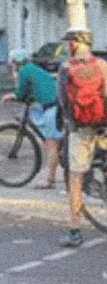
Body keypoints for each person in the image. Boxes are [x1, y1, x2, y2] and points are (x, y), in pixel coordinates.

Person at [56, 27, 107, 248]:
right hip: (106, 127)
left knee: (75, 176)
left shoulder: (65, 68)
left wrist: (67, 122)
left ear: (74, 44)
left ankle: (75, 230)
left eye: (67, 42)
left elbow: (62, 101)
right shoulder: (102, 65)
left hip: (80, 130)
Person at [2, 48, 63, 189]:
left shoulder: (24, 71)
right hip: (54, 105)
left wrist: (12, 96)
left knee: (52, 144)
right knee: (53, 142)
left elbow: (21, 93)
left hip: (52, 108)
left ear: (16, 62)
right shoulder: (32, 68)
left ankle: (50, 181)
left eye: (12, 64)